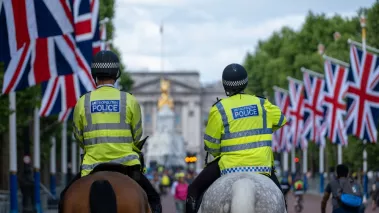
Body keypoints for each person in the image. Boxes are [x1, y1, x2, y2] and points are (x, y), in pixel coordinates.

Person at [58, 50, 162, 213]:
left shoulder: (83, 101)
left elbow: (78, 136)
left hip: (92, 165)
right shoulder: (128, 100)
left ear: (94, 74)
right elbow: (137, 135)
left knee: (65, 198)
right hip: (126, 165)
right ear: (117, 74)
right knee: (154, 200)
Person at [185, 63, 287, 213]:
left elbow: (210, 144)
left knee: (193, 190)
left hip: (228, 166)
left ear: (225, 87)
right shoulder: (262, 103)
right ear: (245, 83)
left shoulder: (219, 108)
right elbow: (281, 120)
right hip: (262, 165)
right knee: (282, 201)